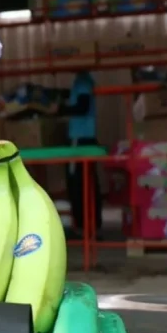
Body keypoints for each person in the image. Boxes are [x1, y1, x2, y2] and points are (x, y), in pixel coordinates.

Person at [63, 71, 100, 239]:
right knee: (88, 183)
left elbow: (82, 107)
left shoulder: (82, 82)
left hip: (79, 139)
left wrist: (59, 109)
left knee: (78, 184)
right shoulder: (84, 80)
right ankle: (91, 224)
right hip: (86, 138)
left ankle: (83, 226)